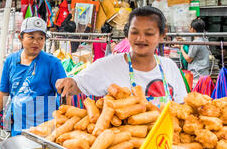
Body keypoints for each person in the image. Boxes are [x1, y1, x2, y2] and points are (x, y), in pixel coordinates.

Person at [56, 6, 188, 108]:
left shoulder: (169, 67)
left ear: (161, 35)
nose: (140, 39)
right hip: (123, 141)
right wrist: (69, 82)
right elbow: (77, 84)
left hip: (164, 140)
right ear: (127, 33)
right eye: (134, 32)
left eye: (149, 33)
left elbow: (182, 106)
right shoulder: (107, 66)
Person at [0, 16, 67, 136]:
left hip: (45, 130)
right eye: (31, 37)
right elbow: (4, 92)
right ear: (21, 38)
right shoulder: (10, 61)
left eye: (41, 38)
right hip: (18, 129)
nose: (36, 42)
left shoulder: (53, 63)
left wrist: (64, 125)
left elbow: (65, 96)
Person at [180, 18, 210, 85]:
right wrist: (184, 42)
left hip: (197, 76)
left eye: (190, 27)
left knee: (196, 95)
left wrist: (181, 48)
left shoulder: (196, 42)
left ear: (193, 29)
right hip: (204, 74)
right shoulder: (205, 39)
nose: (189, 29)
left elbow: (188, 59)